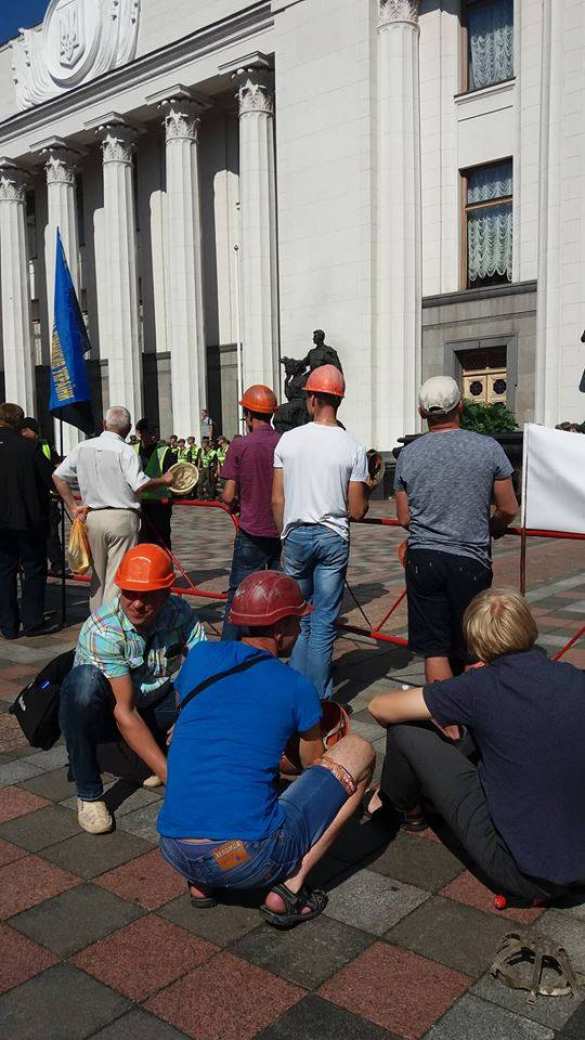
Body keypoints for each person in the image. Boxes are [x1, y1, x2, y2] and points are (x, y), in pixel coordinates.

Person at [158, 569, 374, 927]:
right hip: (248, 858)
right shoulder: (294, 685)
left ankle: (202, 885)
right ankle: (288, 890)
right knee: (360, 751)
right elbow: (311, 763)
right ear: (279, 629)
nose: (299, 631)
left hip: (174, 848)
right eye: (296, 623)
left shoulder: (199, 658)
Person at [368, 589, 585, 902]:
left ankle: (394, 806)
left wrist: (462, 689)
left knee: (406, 732)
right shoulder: (574, 678)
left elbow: (379, 707)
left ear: (475, 644)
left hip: (525, 873)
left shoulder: (479, 686)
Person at [59, 543, 206, 834]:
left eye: (148, 595)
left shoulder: (179, 611)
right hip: (111, 709)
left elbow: (204, 663)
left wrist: (191, 712)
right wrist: (170, 778)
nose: (137, 604)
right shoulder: (104, 629)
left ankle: (133, 760)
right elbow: (124, 712)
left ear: (166, 593)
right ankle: (89, 792)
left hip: (153, 697)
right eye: (130, 593)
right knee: (83, 686)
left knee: (211, 702)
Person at [394, 375, 518, 686]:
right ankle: (476, 714)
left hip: (423, 559)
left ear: (423, 413)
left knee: (435, 651)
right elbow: (509, 508)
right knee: (474, 647)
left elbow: (404, 518)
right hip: (470, 560)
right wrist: (491, 526)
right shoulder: (488, 448)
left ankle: (444, 721)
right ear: (460, 407)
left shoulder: (408, 454)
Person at [272, 365, 371, 698]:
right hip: (332, 537)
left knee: (298, 618)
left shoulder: (288, 440)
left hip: (296, 534)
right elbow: (357, 510)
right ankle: (318, 697)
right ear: (339, 401)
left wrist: (282, 534)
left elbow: (277, 497)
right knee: (324, 621)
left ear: (312, 398)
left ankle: (295, 690)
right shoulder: (353, 447)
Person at [53, 406, 175, 611]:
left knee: (98, 576)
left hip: (93, 516)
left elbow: (58, 476)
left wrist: (73, 506)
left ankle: (95, 618)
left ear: (104, 424)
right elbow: (139, 484)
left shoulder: (83, 447)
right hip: (121, 517)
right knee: (116, 575)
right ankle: (109, 622)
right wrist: (163, 480)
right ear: (127, 429)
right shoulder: (125, 450)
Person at [220, 385, 281, 640]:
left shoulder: (240, 445)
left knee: (238, 591)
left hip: (251, 530)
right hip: (282, 531)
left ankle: (229, 648)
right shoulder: (284, 442)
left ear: (248, 414)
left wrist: (233, 502)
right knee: (278, 594)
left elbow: (228, 495)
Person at [0, 403, 54, 638]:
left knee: (4, 571)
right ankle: (32, 622)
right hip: (28, 519)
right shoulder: (29, 448)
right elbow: (49, 479)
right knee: (33, 570)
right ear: (18, 421)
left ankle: (8, 626)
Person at [20, 416, 68, 578]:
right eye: (34, 431)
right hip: (30, 499)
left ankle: (57, 564)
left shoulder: (43, 445)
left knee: (51, 534)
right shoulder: (23, 447)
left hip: (46, 498)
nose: (36, 434)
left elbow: (53, 466)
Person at [134, 418, 174, 550]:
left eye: (155, 432)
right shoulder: (131, 449)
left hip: (159, 504)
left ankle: (164, 567)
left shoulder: (164, 451)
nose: (154, 435)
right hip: (137, 503)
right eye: (149, 432)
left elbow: (172, 475)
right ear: (140, 433)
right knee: (141, 541)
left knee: (161, 541)